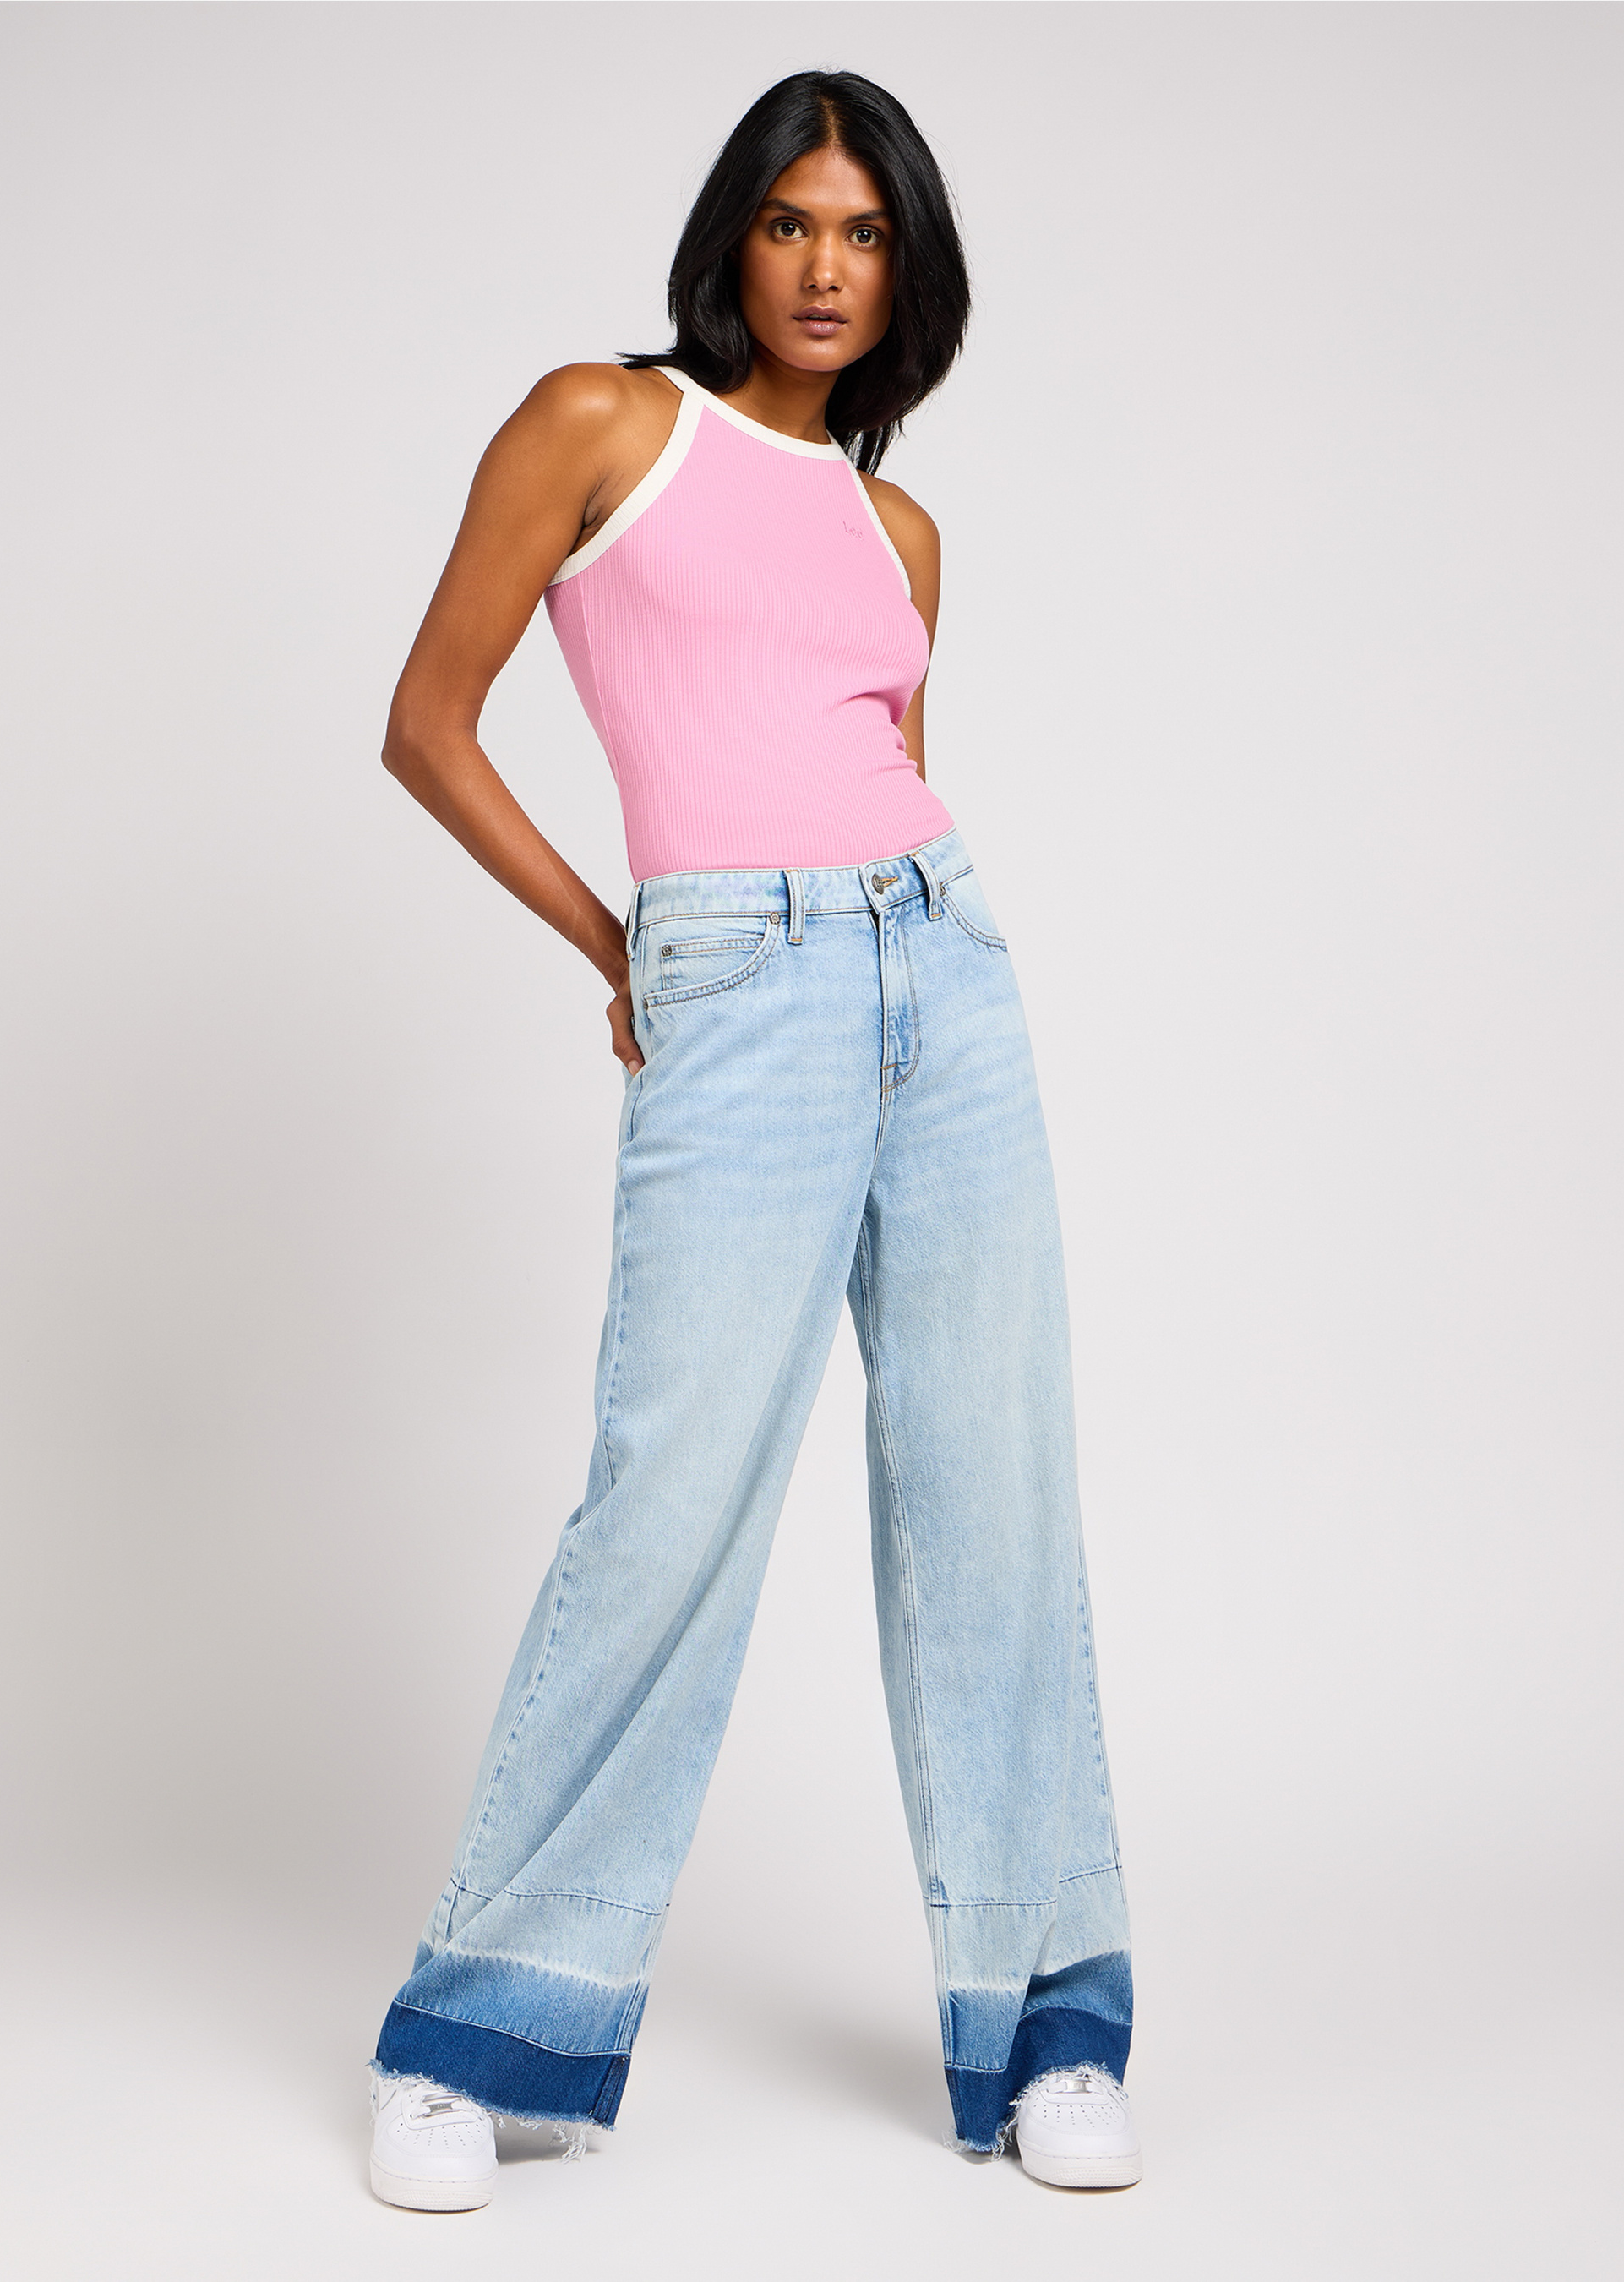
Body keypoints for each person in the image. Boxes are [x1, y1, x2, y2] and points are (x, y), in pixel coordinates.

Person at [366, 68, 1139, 2208]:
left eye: (863, 234)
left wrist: (883, 947)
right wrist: (617, 941)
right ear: (734, 236)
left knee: (991, 1491)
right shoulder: (599, 423)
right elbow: (426, 723)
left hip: (940, 968)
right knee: (671, 1496)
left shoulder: (900, 535)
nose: (822, 267)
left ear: (906, 274)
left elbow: (883, 775)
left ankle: (1049, 2024)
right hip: (735, 973)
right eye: (792, 222)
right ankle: (479, 2034)